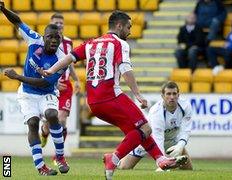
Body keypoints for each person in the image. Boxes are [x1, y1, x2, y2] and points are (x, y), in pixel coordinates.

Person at [39, 11, 187, 180]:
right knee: (145, 128)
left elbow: (68, 58)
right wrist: (137, 94)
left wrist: (50, 70)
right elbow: (125, 69)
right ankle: (114, 158)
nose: (130, 31)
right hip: (110, 96)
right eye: (128, 27)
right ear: (119, 25)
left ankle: (160, 160)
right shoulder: (120, 44)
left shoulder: (91, 43)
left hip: (93, 102)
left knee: (136, 131)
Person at [0, 1, 69, 176]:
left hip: (47, 92)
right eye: (50, 37)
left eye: (57, 38)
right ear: (43, 37)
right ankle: (41, 167)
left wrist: (17, 77)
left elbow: (45, 83)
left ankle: (60, 157)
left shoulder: (62, 59)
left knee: (52, 115)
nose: (53, 41)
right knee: (32, 124)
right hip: (27, 94)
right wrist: (3, 9)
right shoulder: (33, 39)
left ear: (60, 40)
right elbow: (17, 21)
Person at [119, 81, 193, 170]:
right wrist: (163, 164)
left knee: (188, 169)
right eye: (168, 94)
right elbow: (158, 139)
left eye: (174, 94)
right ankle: (118, 161)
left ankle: (176, 157)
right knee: (124, 167)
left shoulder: (186, 106)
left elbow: (186, 130)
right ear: (162, 96)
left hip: (173, 141)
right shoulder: (156, 112)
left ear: (178, 95)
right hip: (149, 141)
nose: (172, 97)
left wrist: (180, 145)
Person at [40, 13, 81, 157]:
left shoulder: (68, 42)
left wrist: (76, 80)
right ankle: (44, 133)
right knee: (48, 123)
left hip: (66, 86)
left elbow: (68, 62)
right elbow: (41, 65)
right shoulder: (43, 42)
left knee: (62, 119)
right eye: (56, 23)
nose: (59, 25)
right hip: (50, 86)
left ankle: (59, 155)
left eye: (61, 23)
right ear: (51, 24)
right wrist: (53, 82)